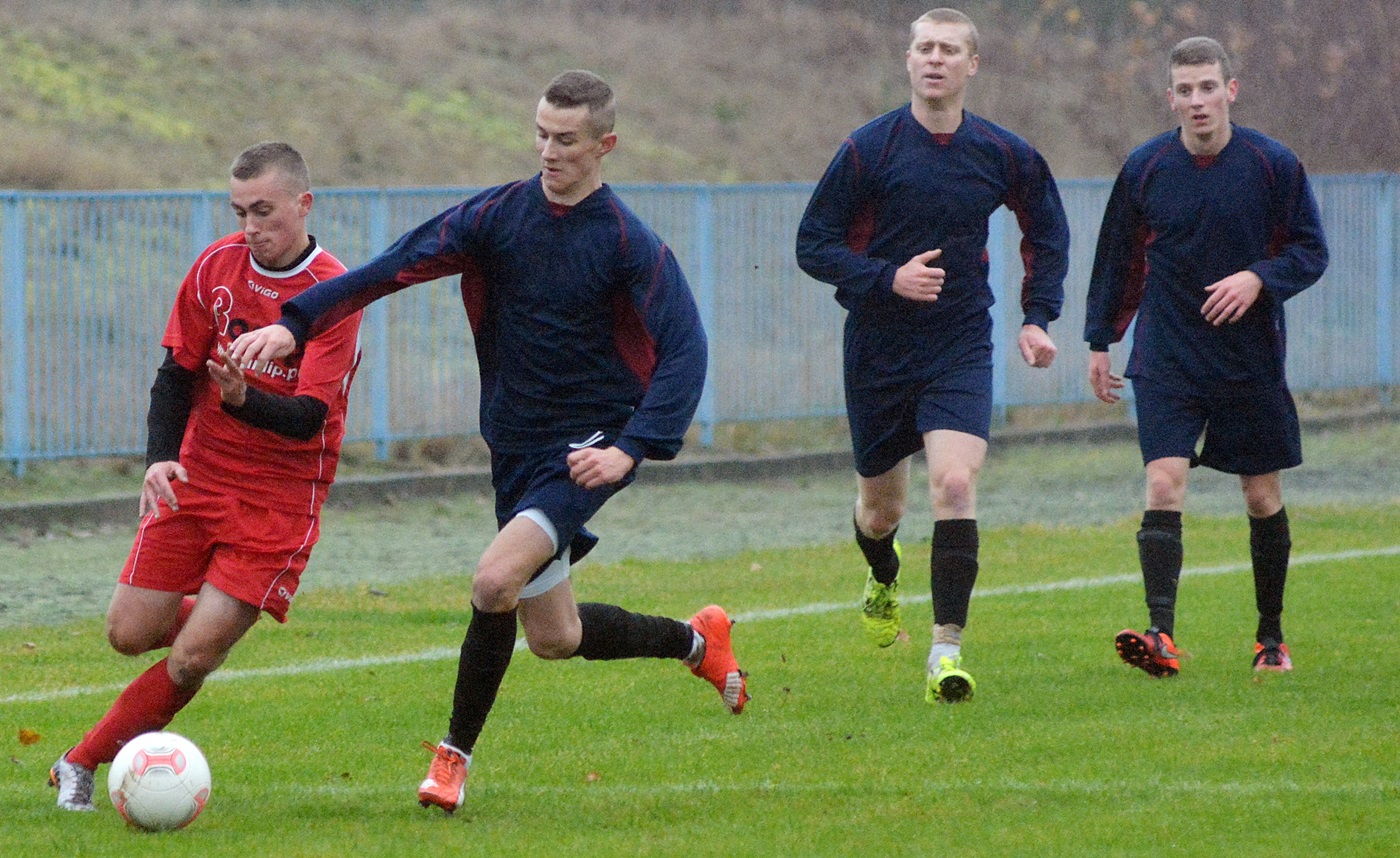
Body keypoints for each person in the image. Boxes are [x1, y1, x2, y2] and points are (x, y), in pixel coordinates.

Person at [228, 70, 747, 815]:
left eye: (566, 139)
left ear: (607, 145)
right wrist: (298, 321)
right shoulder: (499, 216)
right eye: (540, 133)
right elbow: (393, 265)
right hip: (515, 448)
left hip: (587, 449)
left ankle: (451, 762)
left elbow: (686, 352)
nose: (548, 150)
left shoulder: (630, 243)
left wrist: (631, 449)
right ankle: (698, 642)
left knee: (492, 581)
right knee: (555, 636)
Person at [49, 142, 364, 811]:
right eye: (240, 210)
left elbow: (309, 418)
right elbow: (174, 375)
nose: (251, 226)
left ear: (303, 205)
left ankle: (80, 763)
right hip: (200, 476)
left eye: (265, 210)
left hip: (281, 498)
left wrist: (245, 398)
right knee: (127, 634)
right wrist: (159, 457)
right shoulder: (215, 268)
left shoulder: (334, 292)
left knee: (191, 661)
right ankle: (222, 614)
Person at [796, 8, 1069, 703]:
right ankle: (882, 577)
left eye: (949, 49)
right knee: (879, 511)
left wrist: (1037, 316)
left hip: (958, 343)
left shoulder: (1003, 152)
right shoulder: (868, 148)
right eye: (924, 47)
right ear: (909, 61)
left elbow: (1047, 229)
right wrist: (887, 278)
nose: (935, 59)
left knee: (953, 485)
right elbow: (814, 244)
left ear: (972, 64)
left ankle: (945, 653)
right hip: (878, 347)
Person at [1084, 37, 1328, 677]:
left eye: (1208, 88)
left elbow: (1309, 251)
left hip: (1247, 357)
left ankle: (1270, 638)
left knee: (1260, 496)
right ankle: (1160, 636)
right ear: (1171, 98)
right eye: (1185, 91)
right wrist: (1099, 340)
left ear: (1231, 90)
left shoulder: (1273, 165)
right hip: (1166, 352)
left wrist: (1258, 279)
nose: (1197, 101)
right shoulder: (1144, 168)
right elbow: (1117, 260)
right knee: (1164, 481)